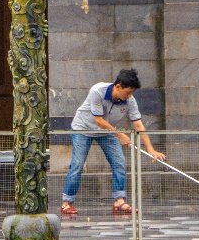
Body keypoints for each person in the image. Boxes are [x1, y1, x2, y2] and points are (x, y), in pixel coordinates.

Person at [61, 69, 165, 216]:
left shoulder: (130, 101)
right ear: (118, 86)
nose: (129, 96)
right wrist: (119, 134)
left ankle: (119, 201)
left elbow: (138, 125)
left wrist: (150, 149)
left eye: (132, 93)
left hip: (107, 131)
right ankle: (67, 202)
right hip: (83, 129)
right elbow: (98, 120)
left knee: (119, 162)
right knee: (77, 164)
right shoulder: (97, 91)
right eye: (127, 92)